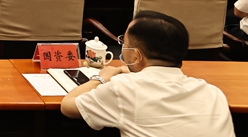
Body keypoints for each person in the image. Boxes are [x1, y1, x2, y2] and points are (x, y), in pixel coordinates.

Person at [61, 11, 235, 137]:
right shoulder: (213, 93)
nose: (122, 46)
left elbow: (67, 106)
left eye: (124, 42)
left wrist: (102, 77)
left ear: (136, 56)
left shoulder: (124, 88)